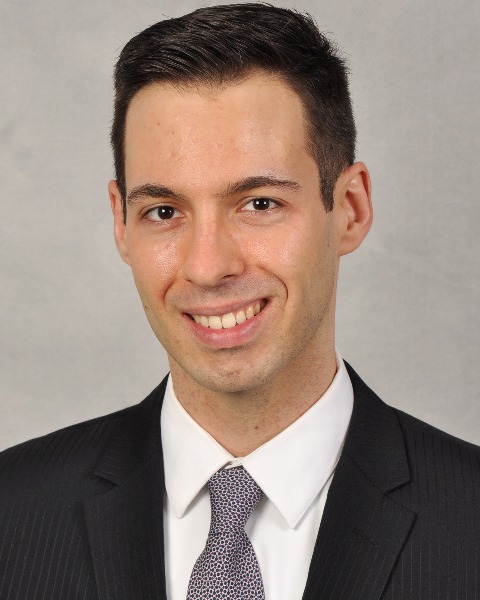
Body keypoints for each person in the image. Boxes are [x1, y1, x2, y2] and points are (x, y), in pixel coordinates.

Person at [0, 4, 479, 599]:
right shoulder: (11, 515)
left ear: (350, 209)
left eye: (259, 204)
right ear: (121, 224)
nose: (207, 266)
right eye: (164, 211)